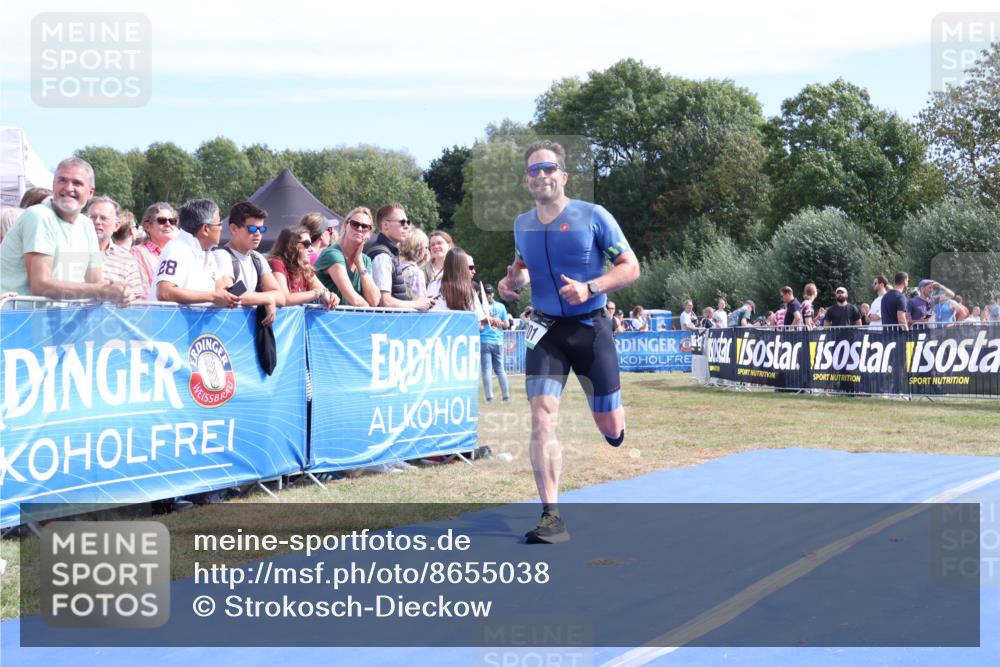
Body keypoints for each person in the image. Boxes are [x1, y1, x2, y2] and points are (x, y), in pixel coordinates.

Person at [497, 139, 640, 544]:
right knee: (542, 415)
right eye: (534, 170)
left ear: (563, 175)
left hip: (591, 327)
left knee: (609, 425)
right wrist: (511, 284)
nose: (541, 175)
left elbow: (630, 266)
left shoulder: (593, 216)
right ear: (527, 180)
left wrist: (592, 285)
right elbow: (522, 268)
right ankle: (551, 515)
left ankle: (616, 421)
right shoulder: (522, 223)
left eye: (548, 169)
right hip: (545, 331)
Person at [0, 157, 125, 303]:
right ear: (53, 186)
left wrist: (121, 292)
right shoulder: (39, 216)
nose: (68, 187)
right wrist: (101, 291)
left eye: (77, 183)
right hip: (18, 320)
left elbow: (95, 281)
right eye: (62, 180)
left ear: (90, 192)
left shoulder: (87, 225)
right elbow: (40, 286)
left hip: (55, 320)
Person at [154, 198, 240, 309]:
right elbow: (164, 292)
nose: (221, 228)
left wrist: (263, 295)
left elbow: (222, 291)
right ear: (205, 229)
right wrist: (212, 296)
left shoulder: (207, 253)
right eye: (219, 224)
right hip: (170, 324)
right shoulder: (176, 248)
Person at [212, 202, 285, 325]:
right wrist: (267, 298)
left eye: (262, 229)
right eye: (252, 229)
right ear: (234, 229)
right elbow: (230, 294)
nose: (258, 234)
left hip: (249, 329)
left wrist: (264, 298)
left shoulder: (257, 258)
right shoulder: (222, 255)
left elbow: (281, 297)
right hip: (226, 327)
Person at [366, 204, 432, 311]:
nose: (407, 226)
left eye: (408, 222)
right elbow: (384, 301)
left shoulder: (388, 253)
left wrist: (420, 302)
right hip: (385, 324)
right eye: (402, 222)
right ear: (385, 225)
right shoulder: (382, 256)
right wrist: (417, 304)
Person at [315, 206, 380, 307]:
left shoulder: (365, 260)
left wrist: (360, 263)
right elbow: (354, 300)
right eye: (355, 224)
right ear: (346, 225)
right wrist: (370, 313)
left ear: (369, 233)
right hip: (322, 318)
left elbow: (374, 301)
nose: (359, 229)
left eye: (365, 227)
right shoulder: (332, 254)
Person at [86, 196, 144, 303]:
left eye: (103, 218)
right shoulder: (70, 250)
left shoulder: (127, 258)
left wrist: (129, 296)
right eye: (92, 217)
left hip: (113, 318)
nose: (97, 222)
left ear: (116, 226)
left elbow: (136, 297)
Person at [267, 226, 338, 308]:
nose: (311, 249)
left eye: (310, 244)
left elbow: (324, 292)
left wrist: (332, 297)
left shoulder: (305, 268)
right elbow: (284, 298)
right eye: (307, 244)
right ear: (291, 245)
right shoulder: (276, 263)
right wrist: (317, 293)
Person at [132, 202, 179, 299]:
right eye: (162, 220)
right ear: (147, 226)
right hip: (152, 311)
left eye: (172, 221)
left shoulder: (178, 254)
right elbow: (141, 294)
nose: (168, 224)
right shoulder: (138, 252)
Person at [480, 283, 511, 402]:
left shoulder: (481, 308)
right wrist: (499, 323)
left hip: (484, 340)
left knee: (487, 370)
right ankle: (506, 396)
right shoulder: (501, 306)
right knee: (500, 369)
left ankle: (489, 397)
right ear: (492, 293)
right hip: (498, 341)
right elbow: (507, 324)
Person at [429, 248, 484, 316]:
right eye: (470, 267)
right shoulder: (468, 289)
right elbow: (478, 318)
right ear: (462, 267)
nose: (474, 271)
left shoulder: (432, 285)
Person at [398, 227, 430, 299]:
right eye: (426, 247)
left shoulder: (394, 265)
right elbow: (420, 302)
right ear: (419, 249)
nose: (427, 251)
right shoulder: (416, 273)